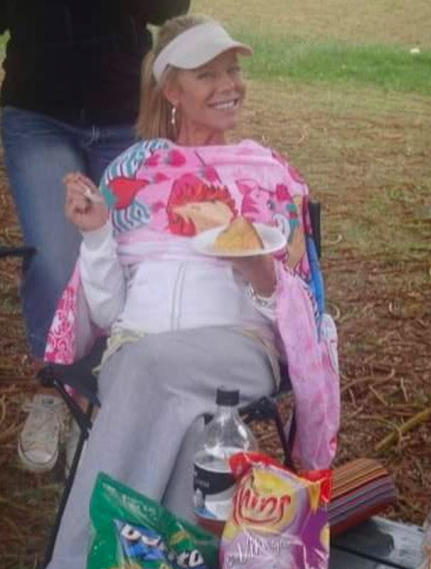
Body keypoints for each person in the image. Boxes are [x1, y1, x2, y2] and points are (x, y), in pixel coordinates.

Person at [44, 15, 340, 567]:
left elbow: (300, 316)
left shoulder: (267, 174)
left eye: (232, 70)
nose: (229, 85)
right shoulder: (133, 170)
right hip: (138, 350)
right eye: (209, 74)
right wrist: (97, 235)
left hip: (236, 350)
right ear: (172, 90)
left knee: (150, 370)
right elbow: (107, 311)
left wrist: (258, 270)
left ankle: (78, 559)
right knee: (199, 441)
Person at [1, 1, 190, 472]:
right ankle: (57, 390)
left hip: (127, 114)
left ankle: (114, 399)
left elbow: (172, 7)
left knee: (132, 252)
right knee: (56, 256)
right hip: (37, 113)